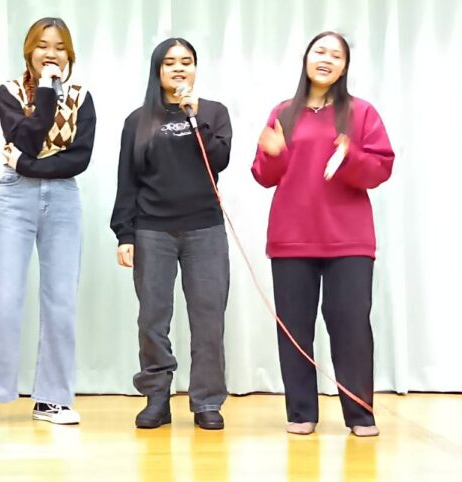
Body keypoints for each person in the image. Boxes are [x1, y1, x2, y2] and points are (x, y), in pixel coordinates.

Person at [251, 31, 394, 437]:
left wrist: (350, 156)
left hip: (348, 238)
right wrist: (273, 154)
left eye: (336, 55)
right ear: (307, 58)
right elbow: (263, 175)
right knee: (294, 329)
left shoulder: (361, 113)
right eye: (320, 52)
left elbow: (381, 169)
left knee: (350, 325)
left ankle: (360, 414)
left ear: (345, 67)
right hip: (291, 236)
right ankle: (301, 412)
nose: (326, 59)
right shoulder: (283, 112)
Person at [0, 17, 96, 426]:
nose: (51, 54)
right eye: (43, 45)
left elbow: (79, 158)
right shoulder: (10, 92)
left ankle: (52, 399)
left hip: (63, 198)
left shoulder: (81, 97)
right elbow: (26, 135)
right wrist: (44, 89)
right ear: (29, 50)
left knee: (61, 300)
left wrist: (26, 164)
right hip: (15, 197)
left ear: (69, 54)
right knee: (4, 295)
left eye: (59, 47)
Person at [110, 38, 232, 430]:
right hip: (153, 230)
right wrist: (124, 234)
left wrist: (196, 118)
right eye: (170, 62)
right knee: (152, 319)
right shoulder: (138, 120)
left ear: (195, 68)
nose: (179, 68)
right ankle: (157, 397)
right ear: (157, 70)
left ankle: (207, 401)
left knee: (208, 319)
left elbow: (219, 160)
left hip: (205, 229)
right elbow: (127, 181)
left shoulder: (213, 112)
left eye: (186, 61)